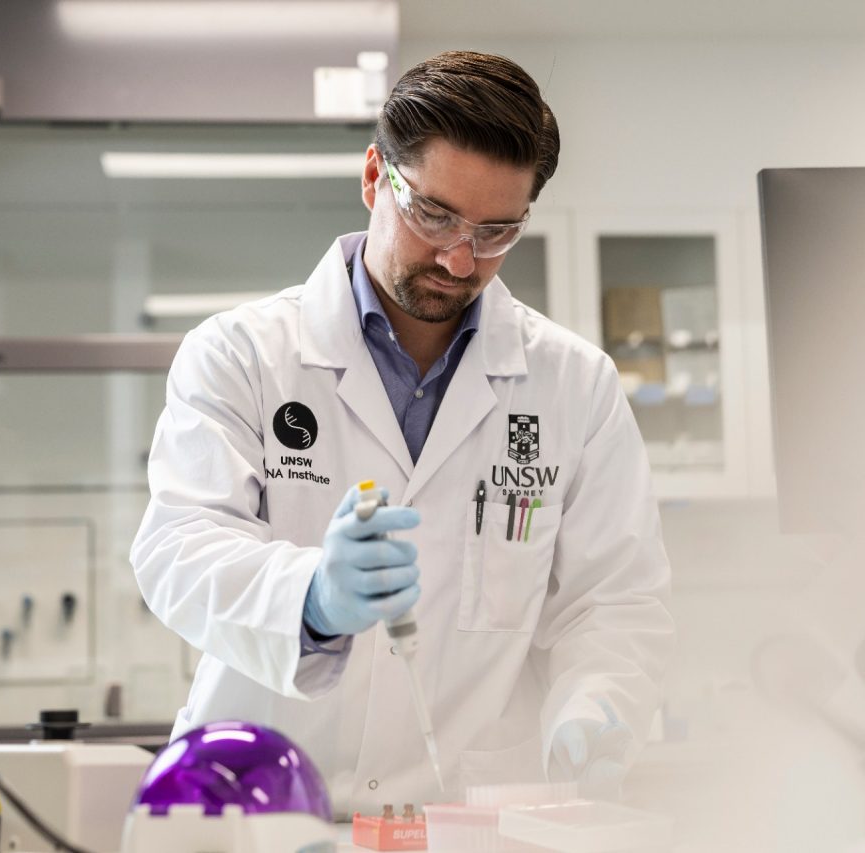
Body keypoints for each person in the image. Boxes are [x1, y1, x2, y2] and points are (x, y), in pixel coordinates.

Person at [131, 50, 674, 815]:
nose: (459, 257)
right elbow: (177, 549)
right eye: (434, 215)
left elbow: (613, 600)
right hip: (261, 806)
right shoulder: (242, 355)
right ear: (372, 177)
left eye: (496, 231)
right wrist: (312, 596)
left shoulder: (574, 386)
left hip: (460, 819)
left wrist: (597, 704)